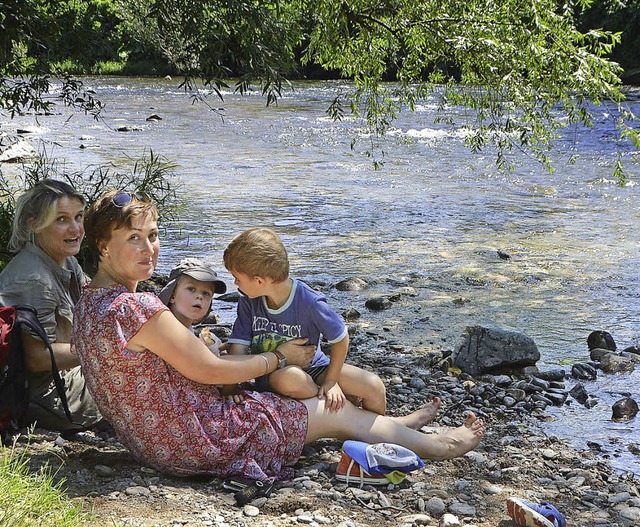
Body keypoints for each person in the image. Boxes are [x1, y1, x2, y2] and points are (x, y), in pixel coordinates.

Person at [72, 190, 485, 482]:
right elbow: (212, 371)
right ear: (103, 246)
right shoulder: (134, 308)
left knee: (324, 409)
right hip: (197, 439)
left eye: (153, 235)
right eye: (133, 239)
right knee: (332, 411)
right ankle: (440, 446)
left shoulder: (89, 303)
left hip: (155, 441)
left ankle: (396, 426)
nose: (150, 249)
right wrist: (281, 357)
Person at [222, 228, 430, 419]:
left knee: (373, 385)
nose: (235, 283)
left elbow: (341, 339)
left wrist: (331, 381)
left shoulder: (309, 302)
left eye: (237, 278)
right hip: (274, 377)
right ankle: (345, 409)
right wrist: (231, 389)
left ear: (259, 281)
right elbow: (237, 351)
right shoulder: (249, 303)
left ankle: (379, 435)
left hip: (316, 369)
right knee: (289, 377)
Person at [0, 179, 101, 432]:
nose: (76, 229)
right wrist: (104, 350)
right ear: (34, 224)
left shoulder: (66, 262)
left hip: (67, 377)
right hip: (48, 399)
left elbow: (98, 301)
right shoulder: (34, 278)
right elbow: (37, 359)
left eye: (79, 217)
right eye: (62, 220)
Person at [158, 257, 227, 352]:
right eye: (191, 289)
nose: (199, 296)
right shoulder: (162, 331)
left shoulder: (188, 331)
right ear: (172, 295)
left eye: (206, 293)